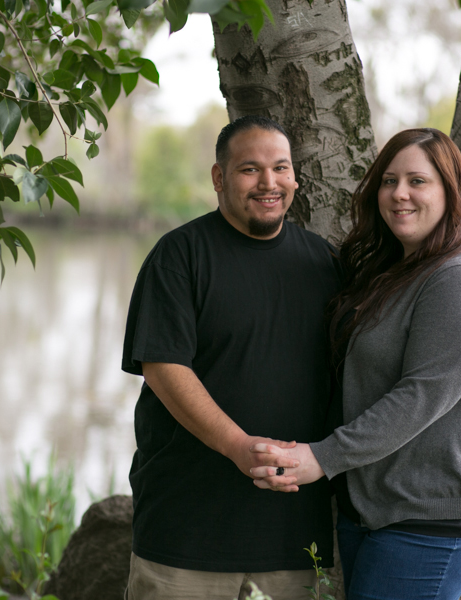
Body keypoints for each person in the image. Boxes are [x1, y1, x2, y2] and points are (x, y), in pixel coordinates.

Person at [251, 128, 461, 600]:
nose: (399, 194)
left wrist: (323, 457)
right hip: (377, 509)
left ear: (449, 191)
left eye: (418, 181)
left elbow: (420, 397)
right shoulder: (394, 270)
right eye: (389, 180)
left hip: (435, 519)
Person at [120, 115, 342, 600]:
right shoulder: (179, 256)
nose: (269, 183)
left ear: (295, 178)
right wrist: (239, 446)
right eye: (250, 169)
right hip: (186, 533)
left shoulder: (325, 263)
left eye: (280, 168)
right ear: (219, 178)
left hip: (295, 535)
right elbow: (163, 367)